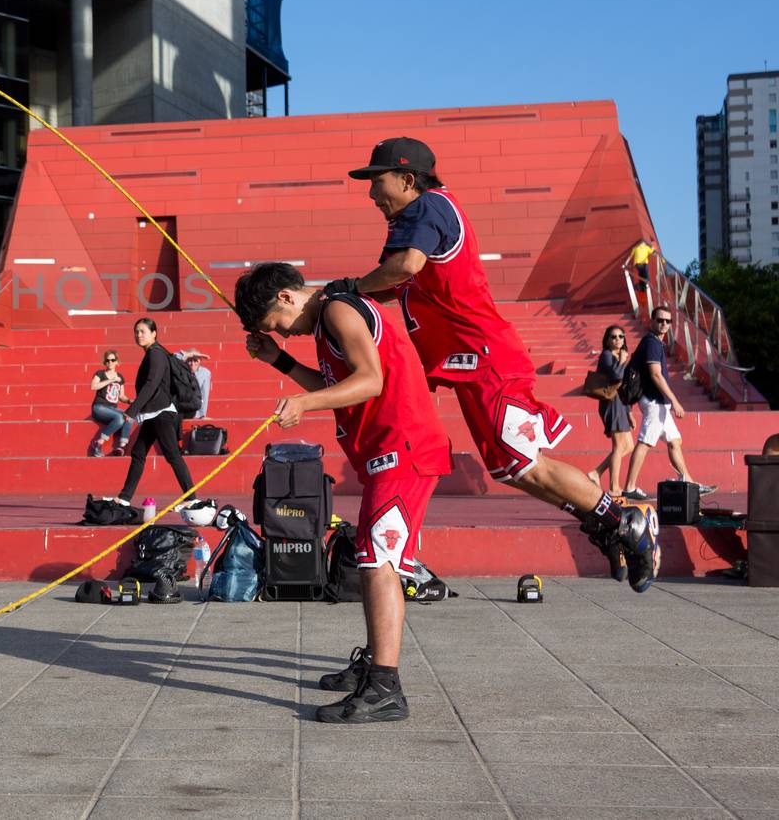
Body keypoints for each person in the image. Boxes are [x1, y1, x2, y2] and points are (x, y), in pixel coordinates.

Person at [325, 138, 660, 591]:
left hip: (486, 357)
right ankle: (605, 520)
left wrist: (348, 287)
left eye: (377, 181)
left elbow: (404, 267)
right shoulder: (412, 218)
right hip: (465, 364)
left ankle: (622, 518)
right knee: (511, 469)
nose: (371, 194)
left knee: (526, 464)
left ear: (407, 180)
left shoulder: (428, 207)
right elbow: (388, 287)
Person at [237, 262, 450, 724]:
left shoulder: (337, 310)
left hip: (404, 447)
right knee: (374, 557)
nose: (284, 334)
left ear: (287, 298)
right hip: (385, 452)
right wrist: (279, 361)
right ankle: (374, 667)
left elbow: (370, 380)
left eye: (277, 326)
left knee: (377, 561)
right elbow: (338, 385)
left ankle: (384, 688)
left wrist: (301, 404)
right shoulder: (326, 321)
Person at [620, 306, 714, 500]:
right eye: (660, 320)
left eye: (667, 321)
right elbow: (655, 374)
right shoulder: (652, 343)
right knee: (645, 442)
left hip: (659, 403)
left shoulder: (655, 343)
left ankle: (687, 481)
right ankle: (629, 487)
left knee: (674, 441)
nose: (664, 324)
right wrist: (675, 401)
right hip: (655, 402)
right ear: (652, 321)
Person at [108, 318, 198, 508]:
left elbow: (152, 383)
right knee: (138, 452)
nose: (139, 335)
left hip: (161, 414)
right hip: (153, 414)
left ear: (154, 333)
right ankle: (124, 498)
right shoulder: (155, 352)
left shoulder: (155, 354)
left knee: (173, 456)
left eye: (143, 331)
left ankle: (192, 499)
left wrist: (132, 410)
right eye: (136, 332)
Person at [585, 325, 636, 500]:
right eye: (614, 337)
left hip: (621, 404)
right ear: (607, 340)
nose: (618, 340)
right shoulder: (607, 355)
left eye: (621, 336)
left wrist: (629, 411)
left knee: (628, 446)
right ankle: (614, 487)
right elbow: (616, 377)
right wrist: (622, 361)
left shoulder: (620, 356)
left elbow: (625, 386)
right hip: (611, 403)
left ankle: (596, 472)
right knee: (619, 446)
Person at [88, 349, 132, 457]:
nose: (110, 362)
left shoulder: (120, 377)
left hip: (113, 409)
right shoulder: (100, 373)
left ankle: (121, 447)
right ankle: (98, 443)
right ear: (105, 362)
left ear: (117, 362)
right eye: (107, 360)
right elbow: (93, 386)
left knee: (129, 417)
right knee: (120, 417)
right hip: (99, 407)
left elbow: (121, 396)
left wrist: (129, 401)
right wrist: (111, 380)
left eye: (113, 360)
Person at [176, 350, 213, 419]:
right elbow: (173, 359)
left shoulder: (205, 373)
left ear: (200, 361)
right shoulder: (179, 370)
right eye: (190, 360)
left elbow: (204, 395)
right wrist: (188, 354)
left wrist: (202, 415)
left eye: (195, 360)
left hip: (194, 409)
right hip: (179, 408)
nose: (192, 364)